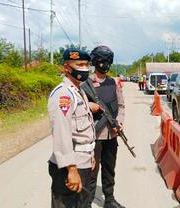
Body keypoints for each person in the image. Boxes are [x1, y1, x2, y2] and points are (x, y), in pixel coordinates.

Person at [48, 48, 99, 208]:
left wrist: (90, 154)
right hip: (71, 166)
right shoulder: (63, 95)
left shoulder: (79, 91)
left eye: (86, 65)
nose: (84, 68)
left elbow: (84, 131)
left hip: (83, 162)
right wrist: (71, 169)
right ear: (66, 68)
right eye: (79, 64)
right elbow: (61, 133)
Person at [85, 46, 126, 208]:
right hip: (94, 136)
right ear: (95, 62)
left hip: (112, 135)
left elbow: (121, 105)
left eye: (108, 61)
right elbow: (79, 106)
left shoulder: (113, 82)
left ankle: (109, 200)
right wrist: (91, 106)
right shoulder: (85, 83)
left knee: (109, 169)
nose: (105, 64)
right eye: (102, 61)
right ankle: (87, 202)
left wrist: (120, 122)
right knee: (91, 172)